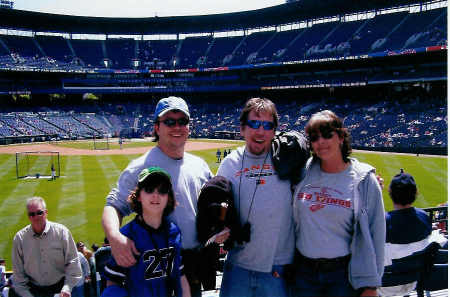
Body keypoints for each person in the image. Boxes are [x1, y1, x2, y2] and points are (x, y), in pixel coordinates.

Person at [102, 96, 213, 297]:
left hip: (192, 268)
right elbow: (114, 205)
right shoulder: (141, 166)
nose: (177, 127)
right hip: (155, 269)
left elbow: (211, 207)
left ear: (189, 127)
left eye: (182, 121)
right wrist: (115, 237)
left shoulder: (200, 166)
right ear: (156, 128)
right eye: (169, 121)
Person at [292, 110, 385, 297]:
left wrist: (371, 285)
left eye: (327, 134)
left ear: (341, 137)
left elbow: (377, 235)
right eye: (314, 137)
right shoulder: (303, 172)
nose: (321, 142)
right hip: (303, 273)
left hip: (342, 275)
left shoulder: (364, 180)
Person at [217, 97, 295, 297]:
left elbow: (324, 170)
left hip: (278, 269)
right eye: (254, 123)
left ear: (274, 131)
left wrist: (360, 172)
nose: (261, 131)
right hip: (237, 268)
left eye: (267, 125)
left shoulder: (289, 158)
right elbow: (219, 206)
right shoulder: (229, 164)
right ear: (242, 128)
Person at [101, 167, 189, 297]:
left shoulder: (174, 232)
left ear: (168, 198)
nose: (155, 195)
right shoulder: (126, 237)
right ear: (139, 196)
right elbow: (112, 284)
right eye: (149, 189)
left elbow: (180, 276)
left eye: (162, 191)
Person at [378, 171, 448, 296]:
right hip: (413, 282)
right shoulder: (424, 218)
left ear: (390, 193)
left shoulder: (382, 223)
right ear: (416, 193)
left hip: (383, 285)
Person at [11, 197, 82, 297]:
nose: (36, 217)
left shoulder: (62, 232)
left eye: (39, 212)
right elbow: (18, 274)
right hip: (33, 291)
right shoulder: (20, 239)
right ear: (28, 216)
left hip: (60, 289)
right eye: (32, 214)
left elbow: (73, 262)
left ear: (46, 212)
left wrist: (67, 287)